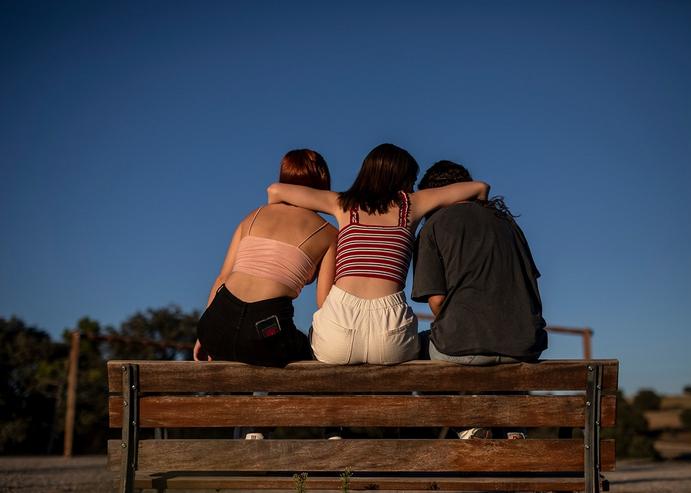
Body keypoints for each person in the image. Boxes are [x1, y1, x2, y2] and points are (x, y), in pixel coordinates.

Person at [267, 143, 489, 365]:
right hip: (391, 334)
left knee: (314, 334)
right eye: (410, 181)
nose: (410, 189)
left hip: (338, 330)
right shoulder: (412, 205)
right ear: (400, 178)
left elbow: (275, 191)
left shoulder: (343, 204)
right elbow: (480, 187)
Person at [411, 160, 547, 439]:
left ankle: (466, 423)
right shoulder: (507, 223)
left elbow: (437, 302)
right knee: (486, 349)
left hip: (463, 346)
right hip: (524, 345)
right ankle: (512, 426)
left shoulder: (433, 227)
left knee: (414, 349)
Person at [193, 149, 338, 368]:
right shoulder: (328, 233)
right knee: (307, 354)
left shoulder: (252, 216)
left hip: (216, 323)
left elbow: (222, 278)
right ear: (323, 182)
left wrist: (205, 335)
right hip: (267, 330)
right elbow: (324, 303)